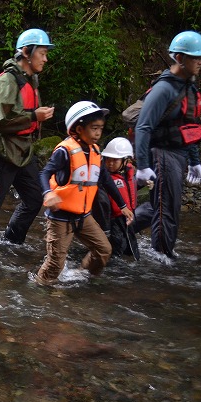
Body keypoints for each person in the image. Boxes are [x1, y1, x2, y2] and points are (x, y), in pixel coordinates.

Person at [0, 28, 56, 246]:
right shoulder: (8, 81)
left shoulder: (30, 80)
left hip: (23, 151)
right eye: (42, 53)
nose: (45, 58)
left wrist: (36, 116)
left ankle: (12, 241)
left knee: (34, 199)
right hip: (3, 153)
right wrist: (34, 115)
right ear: (26, 52)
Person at [35, 102, 134, 286]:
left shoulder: (96, 152)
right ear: (79, 129)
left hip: (84, 216)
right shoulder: (65, 151)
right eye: (94, 128)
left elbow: (106, 180)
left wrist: (123, 206)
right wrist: (48, 193)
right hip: (61, 217)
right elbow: (44, 173)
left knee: (104, 249)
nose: (98, 133)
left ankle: (83, 277)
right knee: (56, 262)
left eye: (101, 128)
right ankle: (41, 288)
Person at [134, 30, 201, 259]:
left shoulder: (187, 88)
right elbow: (143, 127)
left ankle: (118, 228)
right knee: (167, 209)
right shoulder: (164, 89)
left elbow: (188, 128)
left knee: (159, 206)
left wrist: (195, 161)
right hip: (162, 155)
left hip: (179, 156)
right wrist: (142, 165)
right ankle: (163, 258)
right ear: (179, 58)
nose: (200, 61)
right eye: (194, 57)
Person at [93, 137, 151, 257]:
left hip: (127, 218)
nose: (110, 163)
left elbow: (128, 191)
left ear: (125, 161)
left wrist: (142, 183)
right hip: (112, 221)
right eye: (107, 159)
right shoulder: (103, 178)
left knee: (131, 250)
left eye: (115, 160)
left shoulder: (128, 173)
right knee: (115, 250)